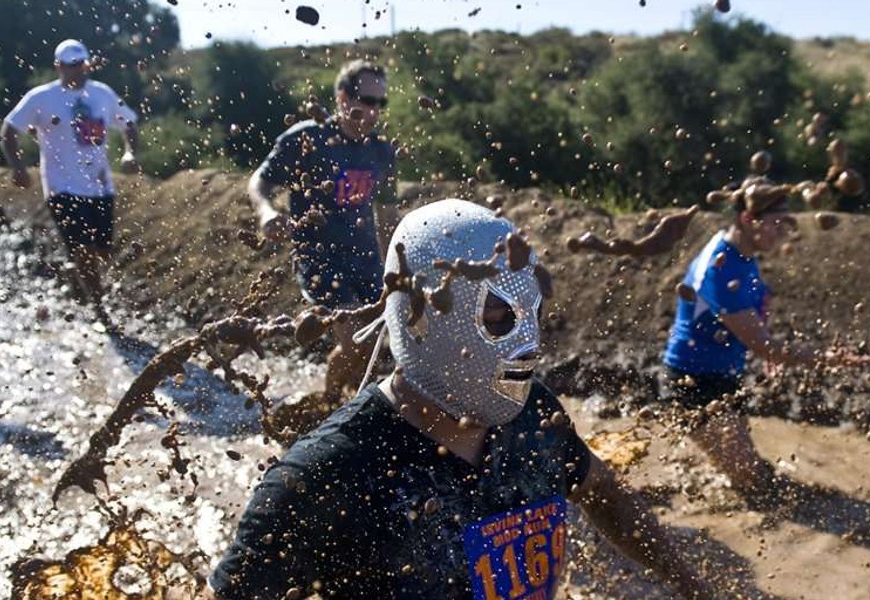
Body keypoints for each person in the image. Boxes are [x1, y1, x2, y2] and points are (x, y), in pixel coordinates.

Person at [207, 200, 711, 599]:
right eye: (498, 320)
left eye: (532, 315)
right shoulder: (328, 473)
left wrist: (692, 586)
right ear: (425, 319)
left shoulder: (535, 414)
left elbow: (602, 492)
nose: (529, 344)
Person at [661, 185, 866, 504]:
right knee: (755, 482)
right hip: (693, 383)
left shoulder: (742, 254)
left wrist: (767, 344)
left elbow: (753, 314)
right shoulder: (720, 268)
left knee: (750, 477)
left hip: (724, 377)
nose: (785, 231)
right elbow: (765, 347)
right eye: (777, 222)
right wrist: (827, 358)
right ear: (748, 218)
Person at [249, 59, 399, 406]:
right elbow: (259, 180)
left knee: (371, 346)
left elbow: (388, 216)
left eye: (381, 103)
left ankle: (332, 400)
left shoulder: (381, 151)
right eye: (367, 100)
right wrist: (267, 211)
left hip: (367, 260)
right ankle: (332, 406)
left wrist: (398, 267)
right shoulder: (307, 138)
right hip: (320, 258)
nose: (374, 111)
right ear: (343, 97)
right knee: (355, 341)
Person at [0, 39, 139, 321]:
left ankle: (76, 280)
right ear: (58, 66)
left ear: (87, 63)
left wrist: (130, 153)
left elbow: (129, 122)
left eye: (80, 65)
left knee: (102, 251)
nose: (77, 71)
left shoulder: (102, 93)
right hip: (61, 187)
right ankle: (100, 311)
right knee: (83, 249)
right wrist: (18, 167)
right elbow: (9, 129)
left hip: (100, 186)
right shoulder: (42, 97)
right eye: (70, 66)